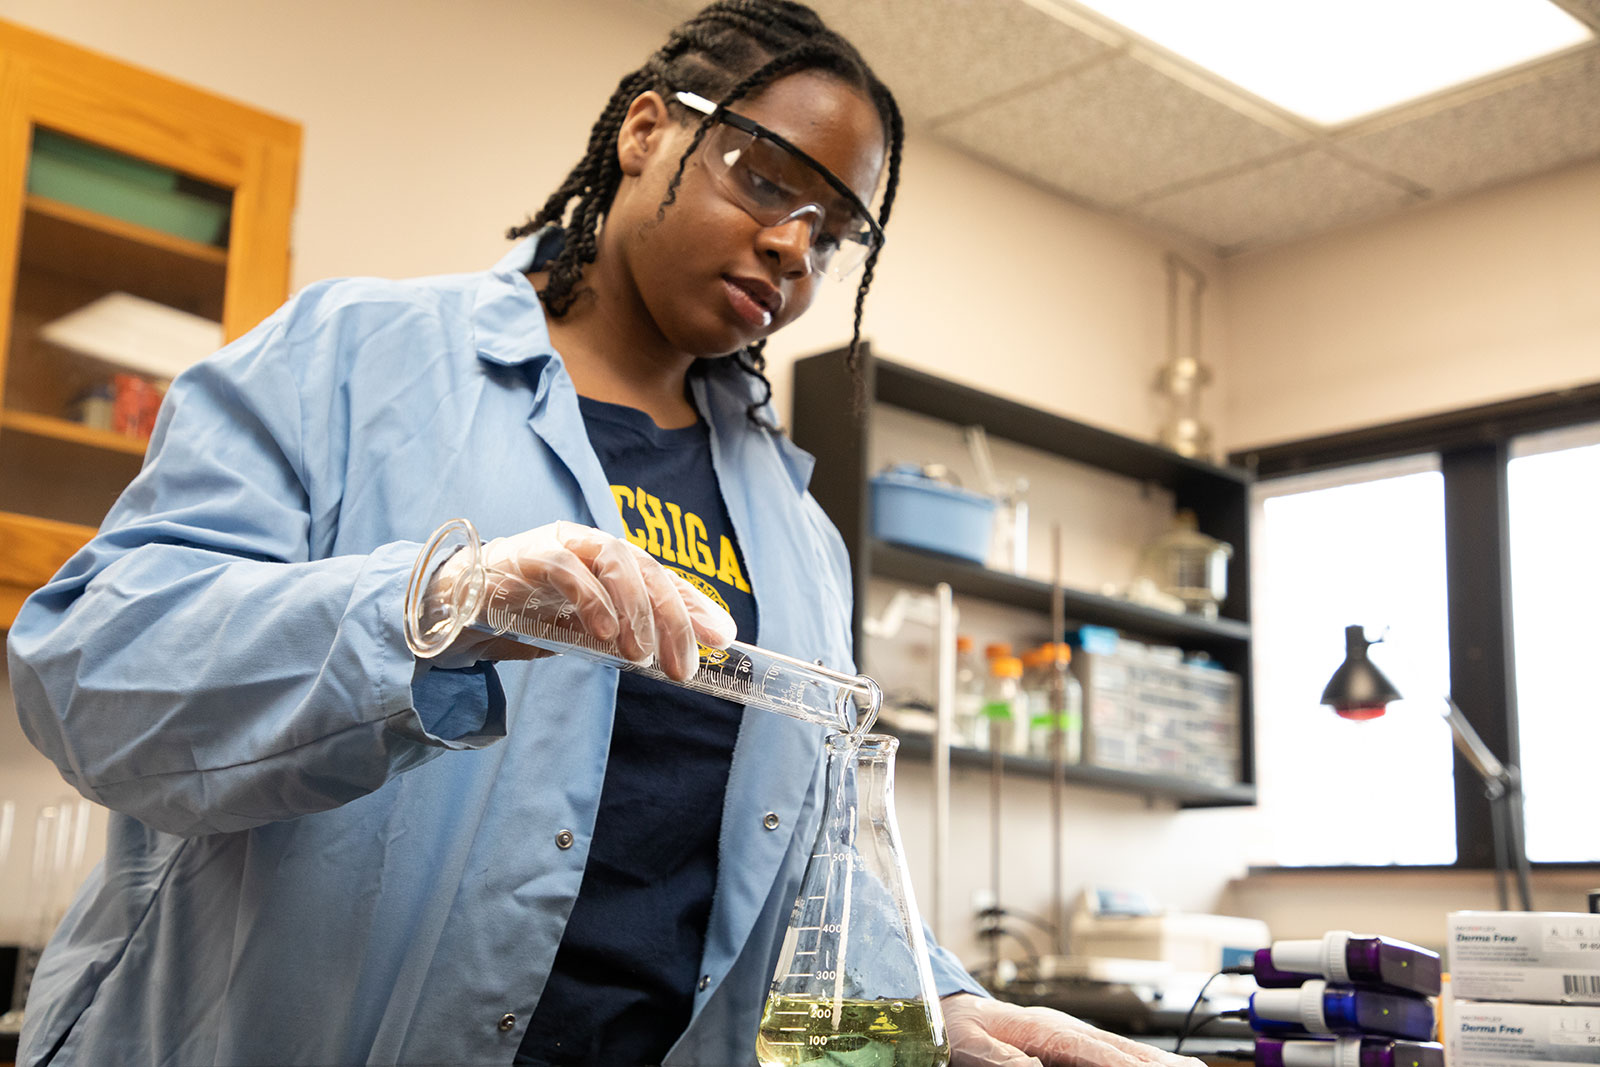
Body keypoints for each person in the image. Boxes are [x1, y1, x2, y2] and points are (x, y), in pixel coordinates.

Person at [8, 3, 1205, 1065]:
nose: (794, 246)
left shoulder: (797, 533)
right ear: (644, 131)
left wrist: (929, 991)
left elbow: (803, 856)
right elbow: (89, 674)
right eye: (763, 178)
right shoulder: (352, 358)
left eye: (831, 231)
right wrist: (436, 609)